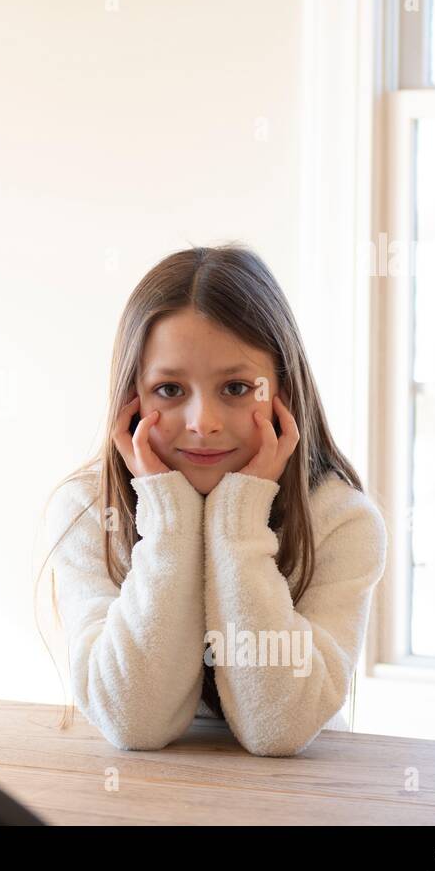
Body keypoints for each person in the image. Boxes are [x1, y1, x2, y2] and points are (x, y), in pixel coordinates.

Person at [36, 243, 388, 756]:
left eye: (238, 387)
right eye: (170, 390)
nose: (203, 422)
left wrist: (238, 519)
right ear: (130, 399)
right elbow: (134, 721)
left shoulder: (343, 522)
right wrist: (169, 520)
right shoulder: (88, 514)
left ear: (285, 392)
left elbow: (279, 728)